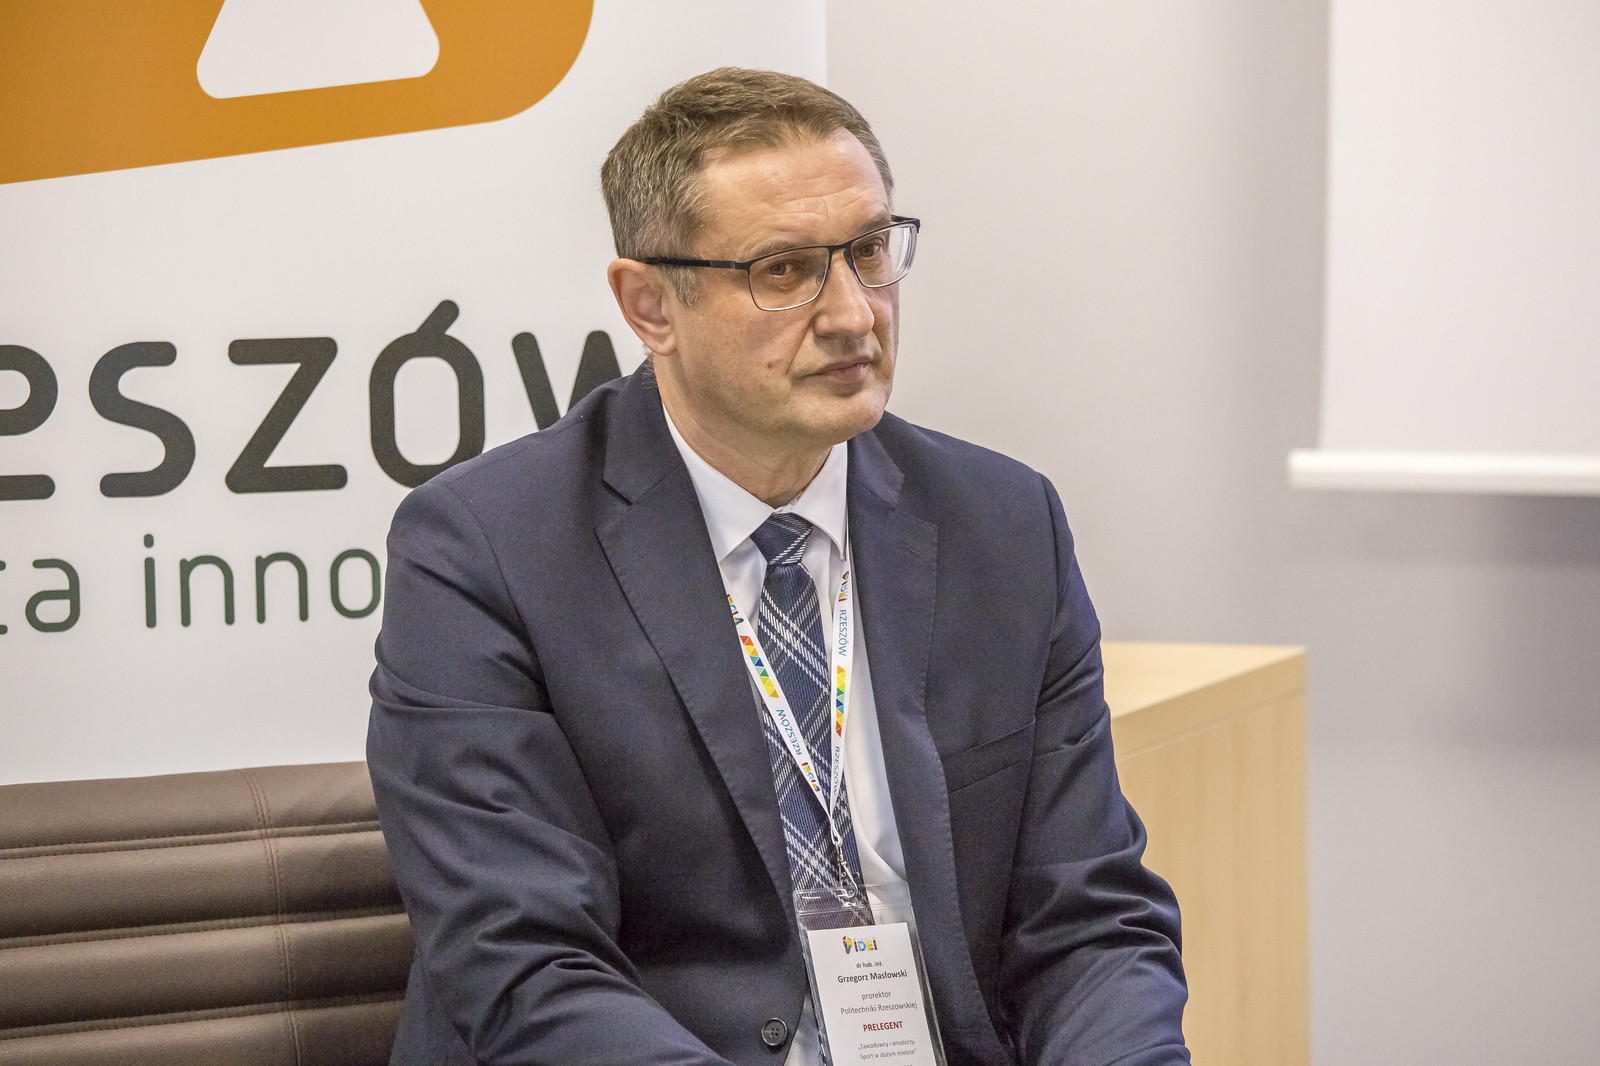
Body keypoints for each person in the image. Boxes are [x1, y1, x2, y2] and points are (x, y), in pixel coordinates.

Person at [368, 68, 1188, 1066]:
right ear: (649, 305)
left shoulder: (1003, 525)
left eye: (870, 252)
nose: (853, 314)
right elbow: (523, 963)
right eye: (784, 270)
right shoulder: (485, 549)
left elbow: (1089, 922)